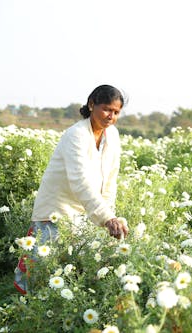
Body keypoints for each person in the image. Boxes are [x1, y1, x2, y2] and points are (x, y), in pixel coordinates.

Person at [14, 84, 129, 294]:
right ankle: (18, 314)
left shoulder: (112, 136)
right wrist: (105, 217)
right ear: (92, 104)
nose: (111, 116)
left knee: (71, 272)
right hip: (56, 211)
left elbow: (110, 180)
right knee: (40, 272)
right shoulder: (76, 135)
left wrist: (109, 216)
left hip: (84, 213)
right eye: (106, 109)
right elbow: (80, 181)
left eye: (116, 112)